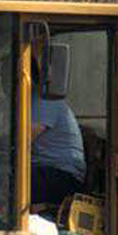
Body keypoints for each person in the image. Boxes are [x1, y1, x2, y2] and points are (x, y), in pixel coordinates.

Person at [31, 70, 86, 208]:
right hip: (44, 168)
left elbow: (20, 140)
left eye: (5, 76)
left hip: (62, 175)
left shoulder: (45, 101)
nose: (2, 82)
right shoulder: (27, 104)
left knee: (2, 181)